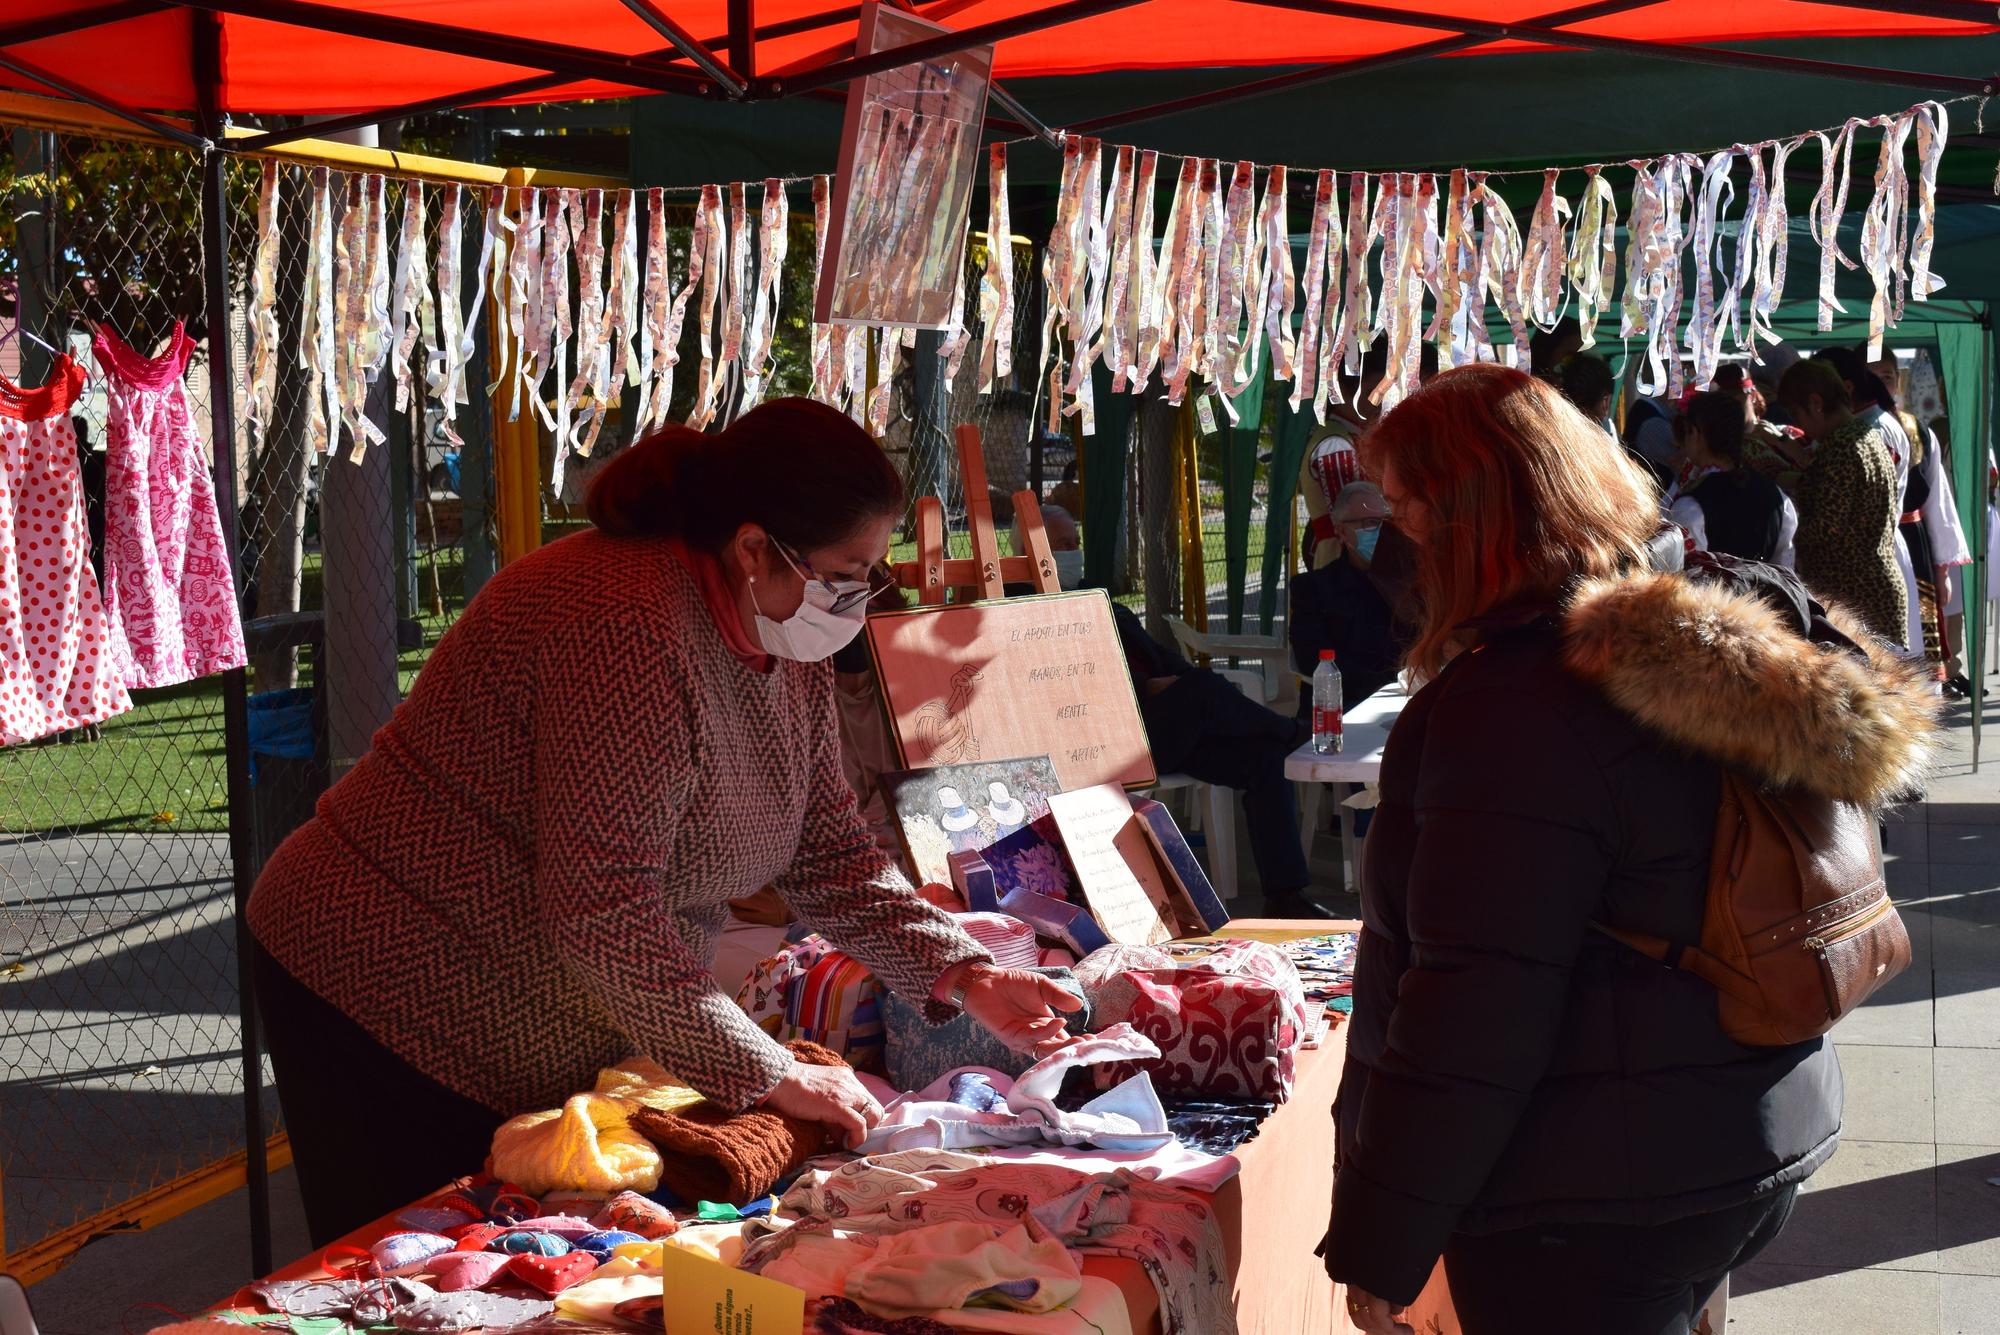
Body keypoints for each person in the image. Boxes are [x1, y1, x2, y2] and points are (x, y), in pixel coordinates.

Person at [247, 398, 1081, 1245]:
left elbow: (827, 851)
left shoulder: (779, 632)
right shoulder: (629, 626)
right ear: (755, 547)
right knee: (410, 1266)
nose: (861, 599)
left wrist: (970, 975)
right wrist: (768, 1072)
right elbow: (600, 907)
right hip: (384, 981)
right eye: (846, 574)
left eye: (873, 573)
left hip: (536, 998)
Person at [1320, 364, 1935, 1335]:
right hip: (1742, 1129)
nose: (1395, 536)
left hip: (1597, 1195)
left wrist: (1384, 1242)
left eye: (1407, 510)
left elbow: (1473, 1009)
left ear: (1473, 517)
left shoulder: (1513, 709)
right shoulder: (1705, 617)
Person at [1016, 507, 1323, 914]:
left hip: (1165, 728)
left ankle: (1287, 897)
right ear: (1030, 551)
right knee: (1202, 691)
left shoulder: (1098, 596)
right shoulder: (1022, 612)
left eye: (1075, 543)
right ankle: (1289, 732)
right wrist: (1147, 688)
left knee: (1262, 759)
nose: (1072, 553)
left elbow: (1158, 654)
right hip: (1111, 739)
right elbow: (1054, 688)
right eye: (1061, 546)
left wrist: (1180, 681)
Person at [1780, 359, 1910, 644]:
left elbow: (1825, 528)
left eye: (1795, 413)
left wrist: (1782, 536)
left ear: (1815, 403)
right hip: (1872, 585)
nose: (1796, 423)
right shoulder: (1864, 437)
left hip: (1855, 594)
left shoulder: (1842, 446)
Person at [1300, 341, 1438, 570]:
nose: (1381, 397)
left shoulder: (1351, 437)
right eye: (1374, 387)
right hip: (1348, 568)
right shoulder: (1335, 444)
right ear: (1345, 389)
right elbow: (1356, 522)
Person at [1289, 481, 1401, 708]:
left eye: (1385, 522)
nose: (1380, 531)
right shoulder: (1312, 590)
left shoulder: (1411, 585)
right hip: (1341, 710)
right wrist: (1386, 688)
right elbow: (1314, 659)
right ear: (1341, 531)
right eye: (1370, 524)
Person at [1666, 391, 1796, 568]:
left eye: (1686, 432)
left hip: (1710, 595)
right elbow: (1784, 570)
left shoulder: (1691, 506)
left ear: (1696, 434)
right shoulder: (1779, 499)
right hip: (1763, 594)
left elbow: (1685, 578)